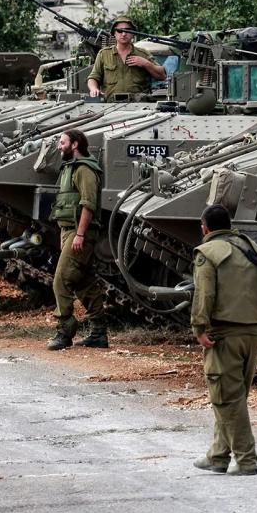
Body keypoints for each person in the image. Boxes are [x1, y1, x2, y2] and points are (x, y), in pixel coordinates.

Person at [190, 204, 257, 476]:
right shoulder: (252, 248)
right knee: (233, 396)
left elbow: (204, 294)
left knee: (227, 399)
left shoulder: (207, 253)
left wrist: (199, 327)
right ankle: (218, 455)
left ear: (205, 228)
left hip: (225, 333)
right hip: (253, 332)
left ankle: (246, 460)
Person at [46, 129, 109, 350]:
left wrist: (80, 234)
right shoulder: (70, 168)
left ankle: (65, 331)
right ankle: (99, 333)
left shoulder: (84, 170)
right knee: (84, 282)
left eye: (62, 142)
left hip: (80, 232)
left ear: (74, 145)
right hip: (69, 231)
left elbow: (88, 204)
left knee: (61, 280)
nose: (58, 146)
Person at [86, 17, 166, 100]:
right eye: (120, 31)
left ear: (133, 34)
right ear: (114, 33)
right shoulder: (104, 54)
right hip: (110, 105)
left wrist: (145, 63)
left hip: (139, 106)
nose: (124, 34)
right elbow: (93, 78)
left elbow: (162, 75)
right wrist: (94, 89)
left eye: (128, 31)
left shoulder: (143, 54)